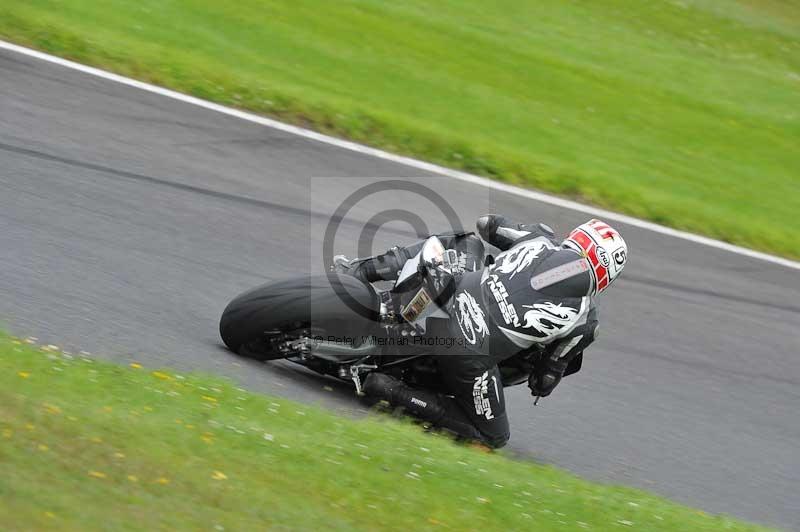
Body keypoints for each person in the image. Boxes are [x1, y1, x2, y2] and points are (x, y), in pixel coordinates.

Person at [335, 215, 628, 448]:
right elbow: (544, 379)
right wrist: (543, 379)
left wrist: (524, 235)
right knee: (492, 436)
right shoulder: (585, 320)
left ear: (577, 236)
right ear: (608, 275)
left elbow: (486, 224)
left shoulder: (538, 239)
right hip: (467, 351)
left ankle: (357, 272)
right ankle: (391, 390)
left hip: (445, 299)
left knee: (465, 242)